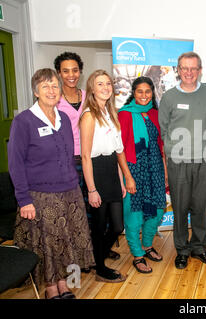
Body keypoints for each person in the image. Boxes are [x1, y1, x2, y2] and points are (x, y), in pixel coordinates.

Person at [8, 68, 95, 299]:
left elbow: (68, 155)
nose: (51, 90)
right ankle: (50, 288)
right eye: (45, 86)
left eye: (55, 86)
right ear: (36, 91)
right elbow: (15, 164)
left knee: (66, 242)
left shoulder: (64, 118)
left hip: (69, 191)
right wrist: (24, 199)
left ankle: (63, 284)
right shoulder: (23, 121)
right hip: (41, 195)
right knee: (48, 245)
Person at [159, 52, 206, 269]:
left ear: (200, 70)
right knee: (180, 208)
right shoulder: (169, 97)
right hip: (178, 162)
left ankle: (199, 247)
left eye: (193, 68)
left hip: (203, 161)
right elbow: (163, 130)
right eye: (184, 68)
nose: (189, 73)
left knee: (200, 207)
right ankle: (182, 250)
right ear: (178, 70)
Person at [79, 69, 127, 283]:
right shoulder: (89, 116)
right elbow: (86, 156)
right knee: (99, 227)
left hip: (111, 171)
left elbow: (117, 152)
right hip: (96, 172)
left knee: (117, 226)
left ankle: (95, 256)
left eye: (108, 83)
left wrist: (121, 181)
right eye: (100, 84)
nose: (106, 87)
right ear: (91, 89)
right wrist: (91, 189)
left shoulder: (111, 113)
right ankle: (100, 268)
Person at [117, 76, 167, 274]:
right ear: (134, 93)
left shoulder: (155, 113)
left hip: (154, 167)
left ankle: (147, 245)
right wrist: (127, 177)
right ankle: (137, 255)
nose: (144, 95)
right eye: (140, 91)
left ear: (152, 93)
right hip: (134, 168)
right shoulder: (124, 114)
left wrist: (164, 171)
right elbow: (119, 149)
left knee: (157, 210)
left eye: (148, 92)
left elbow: (160, 144)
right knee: (134, 214)